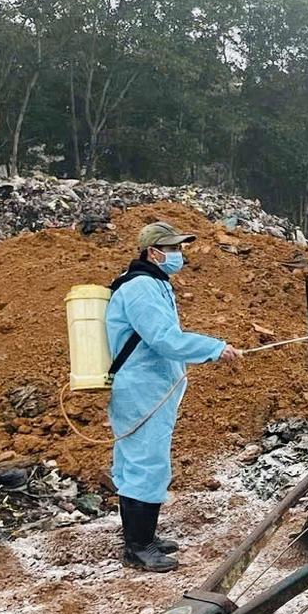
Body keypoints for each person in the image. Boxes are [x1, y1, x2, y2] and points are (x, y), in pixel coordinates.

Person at [107, 222, 239, 572]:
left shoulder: (153, 283)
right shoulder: (140, 288)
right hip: (141, 388)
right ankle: (138, 548)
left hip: (148, 387)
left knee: (139, 461)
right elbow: (164, 338)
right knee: (146, 462)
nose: (180, 255)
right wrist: (214, 348)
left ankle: (142, 537)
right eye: (173, 249)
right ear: (153, 253)